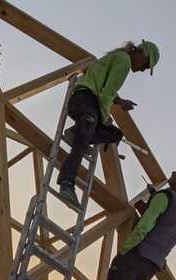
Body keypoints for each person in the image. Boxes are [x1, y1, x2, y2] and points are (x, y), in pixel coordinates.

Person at [56, 40, 160, 209]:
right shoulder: (124, 62)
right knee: (81, 145)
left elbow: (105, 83)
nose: (143, 69)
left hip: (82, 101)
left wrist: (120, 101)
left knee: (115, 134)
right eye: (146, 65)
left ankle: (75, 133)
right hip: (86, 101)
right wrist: (104, 118)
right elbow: (106, 93)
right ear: (141, 54)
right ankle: (66, 183)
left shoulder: (118, 57)